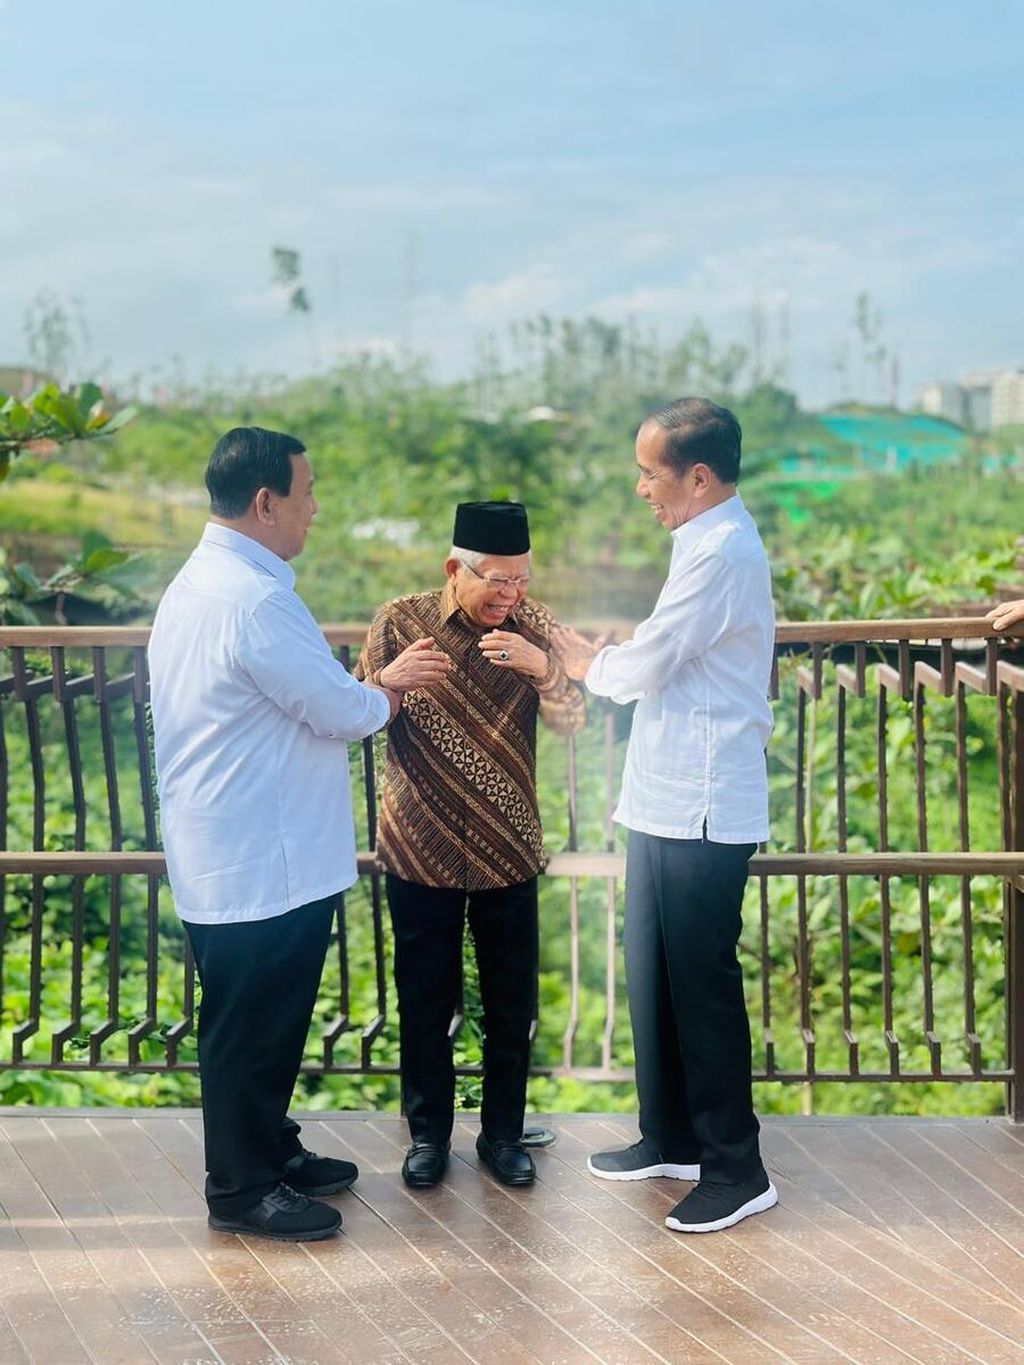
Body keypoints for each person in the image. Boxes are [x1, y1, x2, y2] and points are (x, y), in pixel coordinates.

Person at [148, 426, 446, 1242]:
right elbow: (340, 709)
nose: (313, 509)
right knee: (251, 1025)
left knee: (258, 1018)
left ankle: (270, 1149)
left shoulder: (206, 581)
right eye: (306, 493)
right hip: (259, 852)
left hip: (235, 840)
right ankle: (242, 1189)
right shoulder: (251, 598)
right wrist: (392, 685)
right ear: (266, 500)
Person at [558, 397, 779, 1233]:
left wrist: (583, 661)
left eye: (651, 471)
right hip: (661, 792)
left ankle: (736, 1166)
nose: (641, 486)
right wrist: (599, 661)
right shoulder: (698, 542)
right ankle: (671, 1135)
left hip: (705, 799)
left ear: (696, 474)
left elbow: (648, 661)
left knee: (701, 983)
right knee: (651, 968)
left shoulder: (722, 550)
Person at [355, 501, 585, 1189]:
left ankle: (503, 1135)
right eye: (497, 581)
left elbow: (571, 719)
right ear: (454, 569)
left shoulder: (535, 624)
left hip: (506, 842)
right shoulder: (399, 620)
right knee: (425, 997)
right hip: (418, 841)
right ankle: (427, 1137)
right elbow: (357, 712)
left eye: (521, 580)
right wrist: (388, 683)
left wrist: (542, 667)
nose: (510, 595)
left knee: (511, 1003)